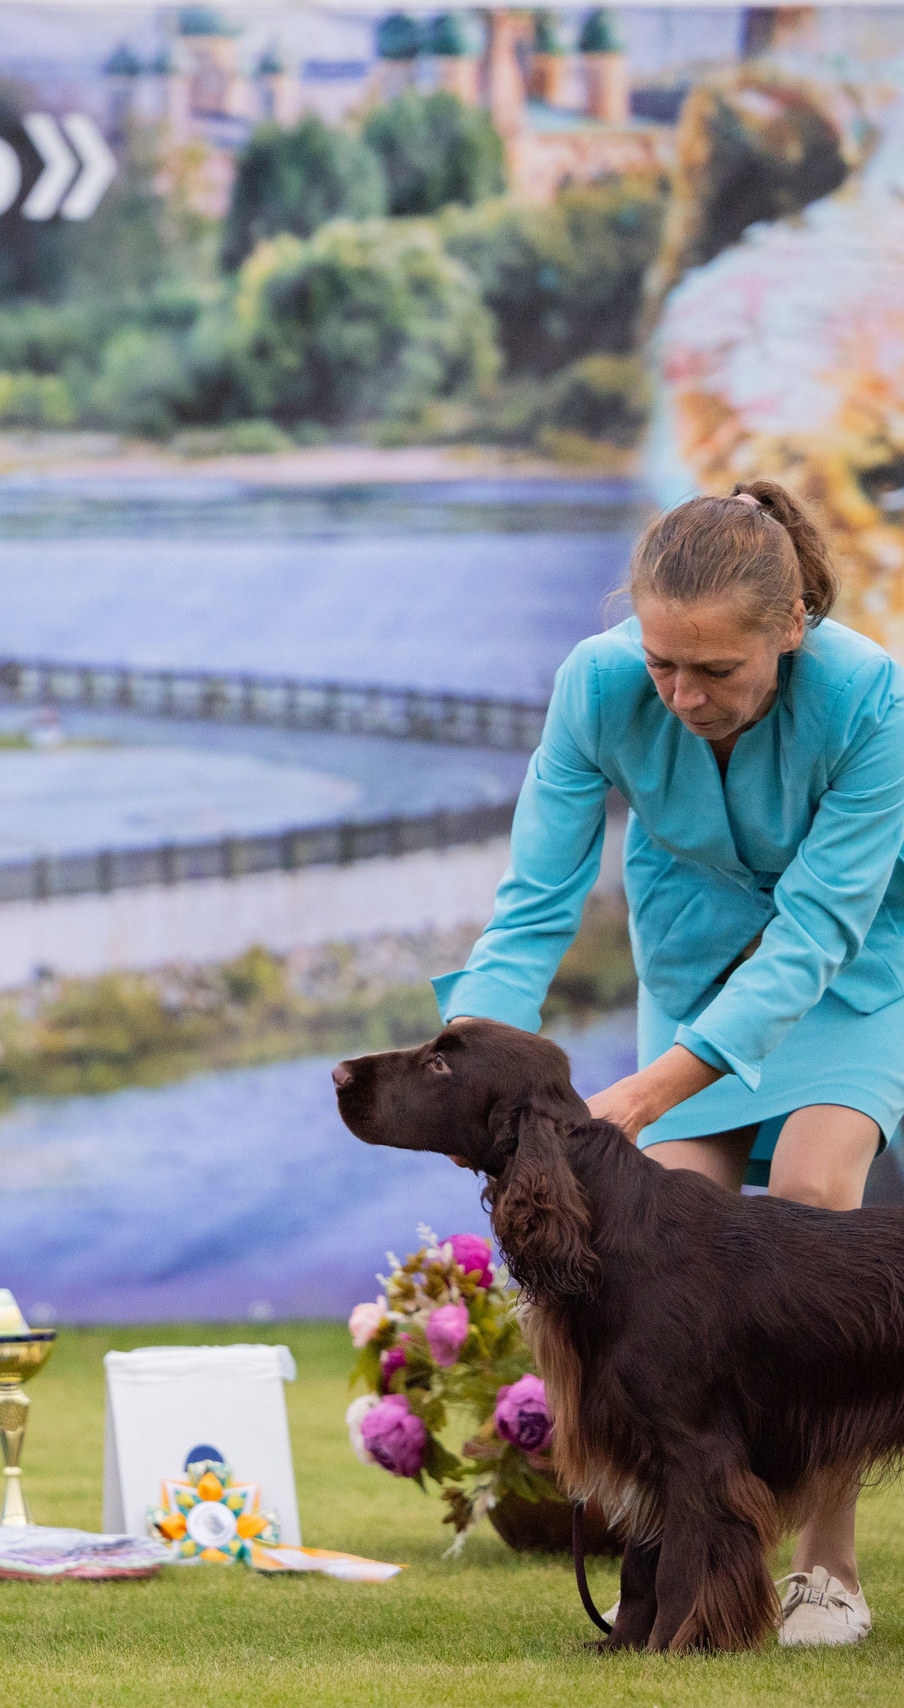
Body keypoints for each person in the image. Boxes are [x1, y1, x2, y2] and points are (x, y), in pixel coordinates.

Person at [435, 480, 903, 1646]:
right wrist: (468, 1082)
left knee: (814, 1192)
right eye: (662, 665)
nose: (683, 695)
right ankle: (679, 1572)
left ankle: (825, 1564)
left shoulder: (871, 697)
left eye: (715, 671)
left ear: (789, 626)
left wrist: (641, 1095)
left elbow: (812, 932)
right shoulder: (595, 684)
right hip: (689, 962)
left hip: (846, 972)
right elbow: (532, 906)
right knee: (663, 1256)